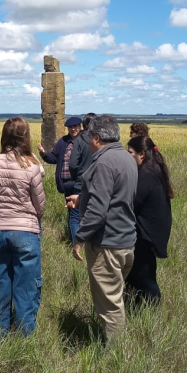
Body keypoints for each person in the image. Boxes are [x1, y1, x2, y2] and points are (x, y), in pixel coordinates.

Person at [70, 115, 137, 341]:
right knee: (115, 297)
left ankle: (115, 359)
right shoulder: (126, 158)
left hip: (107, 244)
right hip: (126, 240)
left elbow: (98, 211)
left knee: (110, 307)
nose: (87, 141)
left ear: (97, 137)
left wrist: (79, 238)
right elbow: (115, 197)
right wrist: (82, 198)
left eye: (89, 137)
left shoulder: (103, 162)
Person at [0, 117, 46, 335]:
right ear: (26, 137)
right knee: (26, 285)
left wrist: (1, 213)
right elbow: (40, 203)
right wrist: (34, 216)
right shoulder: (32, 165)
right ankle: (25, 333)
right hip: (26, 230)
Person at [124, 135, 173, 306]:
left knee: (143, 277)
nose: (127, 156)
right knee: (138, 275)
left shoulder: (145, 177)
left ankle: (153, 306)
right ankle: (135, 306)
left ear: (142, 154)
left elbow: (130, 203)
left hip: (145, 236)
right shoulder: (153, 172)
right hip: (150, 234)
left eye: (130, 152)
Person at [38, 116, 83, 243]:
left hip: (80, 183)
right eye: (70, 127)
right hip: (67, 184)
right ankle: (77, 242)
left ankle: (77, 244)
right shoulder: (63, 141)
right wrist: (43, 153)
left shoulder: (85, 141)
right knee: (73, 213)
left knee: (76, 214)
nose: (73, 129)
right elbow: (53, 158)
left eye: (75, 127)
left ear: (80, 127)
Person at [66, 112, 98, 244]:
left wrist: (76, 177)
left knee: (75, 217)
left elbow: (73, 164)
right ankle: (93, 243)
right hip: (98, 183)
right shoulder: (101, 140)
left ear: (83, 125)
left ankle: (77, 244)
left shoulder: (79, 140)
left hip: (80, 183)